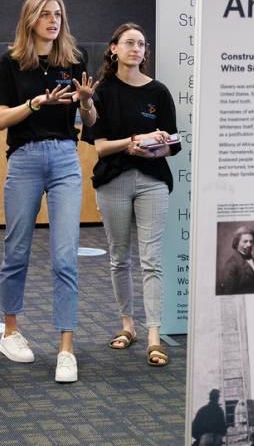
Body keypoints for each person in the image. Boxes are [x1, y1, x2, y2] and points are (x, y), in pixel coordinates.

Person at [0, 0, 98, 383]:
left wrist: (85, 102)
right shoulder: (9, 61)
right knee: (16, 249)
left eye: (58, 15)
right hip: (25, 158)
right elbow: (1, 120)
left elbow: (90, 120)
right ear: (30, 19)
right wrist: (34, 104)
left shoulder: (75, 58)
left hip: (65, 157)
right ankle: (10, 331)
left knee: (65, 256)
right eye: (46, 15)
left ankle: (66, 349)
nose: (54, 21)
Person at [82, 22, 180, 365]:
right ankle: (128, 326)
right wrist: (133, 142)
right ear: (114, 49)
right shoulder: (103, 92)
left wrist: (155, 149)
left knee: (151, 260)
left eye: (141, 44)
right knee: (118, 257)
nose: (136, 49)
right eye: (129, 43)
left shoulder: (159, 92)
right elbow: (101, 147)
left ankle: (154, 335)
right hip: (113, 180)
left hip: (153, 179)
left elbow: (173, 145)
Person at [218, 225, 254, 294]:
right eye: (245, 241)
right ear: (237, 243)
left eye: (251, 241)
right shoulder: (231, 265)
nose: (249, 245)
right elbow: (229, 293)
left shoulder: (251, 258)